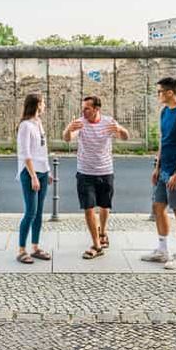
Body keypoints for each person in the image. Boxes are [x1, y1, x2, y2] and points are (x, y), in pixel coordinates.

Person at [63, 95, 130, 259]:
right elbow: (67, 139)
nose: (83, 110)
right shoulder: (80, 122)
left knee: (105, 206)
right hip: (85, 172)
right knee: (88, 208)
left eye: (87, 108)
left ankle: (103, 232)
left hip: (106, 171)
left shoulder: (108, 122)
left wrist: (120, 130)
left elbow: (126, 136)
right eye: (83, 107)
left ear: (96, 109)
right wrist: (68, 129)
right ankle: (96, 245)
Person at [141, 77, 176, 269]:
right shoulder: (164, 112)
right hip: (164, 169)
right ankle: (162, 250)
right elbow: (164, 141)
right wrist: (157, 166)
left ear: (170, 92)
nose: (158, 95)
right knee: (158, 206)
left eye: (160, 92)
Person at [15, 93, 52, 264]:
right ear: (37, 104)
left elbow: (42, 150)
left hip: (42, 172)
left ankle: (35, 247)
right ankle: (22, 250)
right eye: (43, 103)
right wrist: (33, 177)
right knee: (30, 211)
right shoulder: (25, 126)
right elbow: (26, 154)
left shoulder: (38, 123)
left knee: (38, 213)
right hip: (30, 173)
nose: (45, 105)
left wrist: (47, 171)